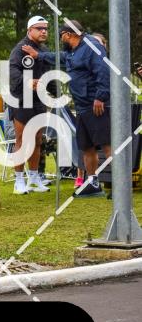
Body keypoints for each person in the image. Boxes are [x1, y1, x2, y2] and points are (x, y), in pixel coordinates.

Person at [22, 21, 110, 198]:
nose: (61, 39)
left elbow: (103, 71)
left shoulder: (91, 47)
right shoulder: (73, 51)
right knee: (87, 147)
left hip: (95, 105)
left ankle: (120, 186)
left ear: (69, 34)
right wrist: (38, 55)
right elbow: (60, 57)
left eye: (61, 36)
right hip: (82, 106)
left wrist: (100, 96)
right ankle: (92, 183)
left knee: (107, 144)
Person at [8, 16, 52, 194]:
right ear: (29, 30)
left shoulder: (44, 51)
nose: (43, 31)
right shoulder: (20, 49)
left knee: (37, 140)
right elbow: (12, 72)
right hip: (21, 99)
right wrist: (28, 81)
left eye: (45, 28)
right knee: (22, 140)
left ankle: (34, 178)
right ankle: (19, 180)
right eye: (39, 28)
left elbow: (49, 73)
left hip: (39, 99)